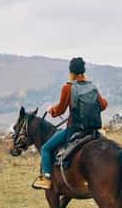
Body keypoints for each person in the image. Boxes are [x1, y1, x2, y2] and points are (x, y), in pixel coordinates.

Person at [32, 57, 108, 190]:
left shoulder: (68, 87)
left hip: (74, 130)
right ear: (83, 71)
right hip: (92, 131)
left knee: (46, 148)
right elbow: (103, 105)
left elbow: (60, 109)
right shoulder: (92, 88)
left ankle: (46, 178)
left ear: (72, 72)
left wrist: (52, 110)